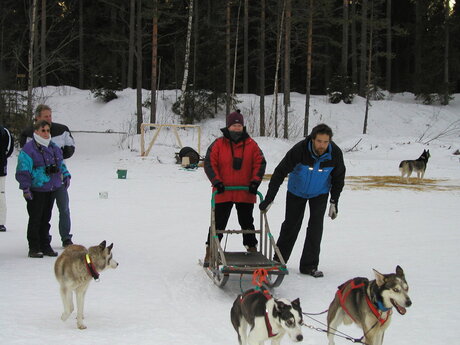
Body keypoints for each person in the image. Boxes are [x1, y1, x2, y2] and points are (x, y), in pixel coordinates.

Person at [259, 123, 345, 278]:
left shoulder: (335, 154)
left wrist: (334, 201)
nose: (322, 145)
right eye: (319, 141)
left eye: (326, 142)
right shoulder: (300, 150)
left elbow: (338, 178)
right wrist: (270, 197)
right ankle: (279, 261)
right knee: (291, 226)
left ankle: (309, 266)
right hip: (296, 191)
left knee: (315, 228)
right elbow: (280, 172)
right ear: (313, 139)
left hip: (320, 193)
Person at [203, 110, 266, 266]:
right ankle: (211, 250)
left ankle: (252, 247)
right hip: (223, 191)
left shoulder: (252, 144)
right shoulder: (218, 144)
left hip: (245, 192)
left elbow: (260, 163)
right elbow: (210, 163)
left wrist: (254, 182)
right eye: (234, 125)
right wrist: (217, 182)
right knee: (218, 223)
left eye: (239, 125)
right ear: (228, 126)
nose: (237, 128)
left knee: (247, 222)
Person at [20, 104, 75, 247]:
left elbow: (63, 158)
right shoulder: (29, 138)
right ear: (37, 118)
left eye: (50, 116)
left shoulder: (57, 138)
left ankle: (65, 238)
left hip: (57, 182)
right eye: (46, 117)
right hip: (39, 186)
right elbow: (25, 165)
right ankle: (38, 243)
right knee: (39, 216)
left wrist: (65, 174)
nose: (49, 119)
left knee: (63, 208)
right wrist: (27, 186)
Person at [0, 125, 14, 232]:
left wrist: (2, 158)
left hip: (1, 169)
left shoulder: (4, 131)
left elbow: (9, 149)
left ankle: (1, 222)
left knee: (1, 194)